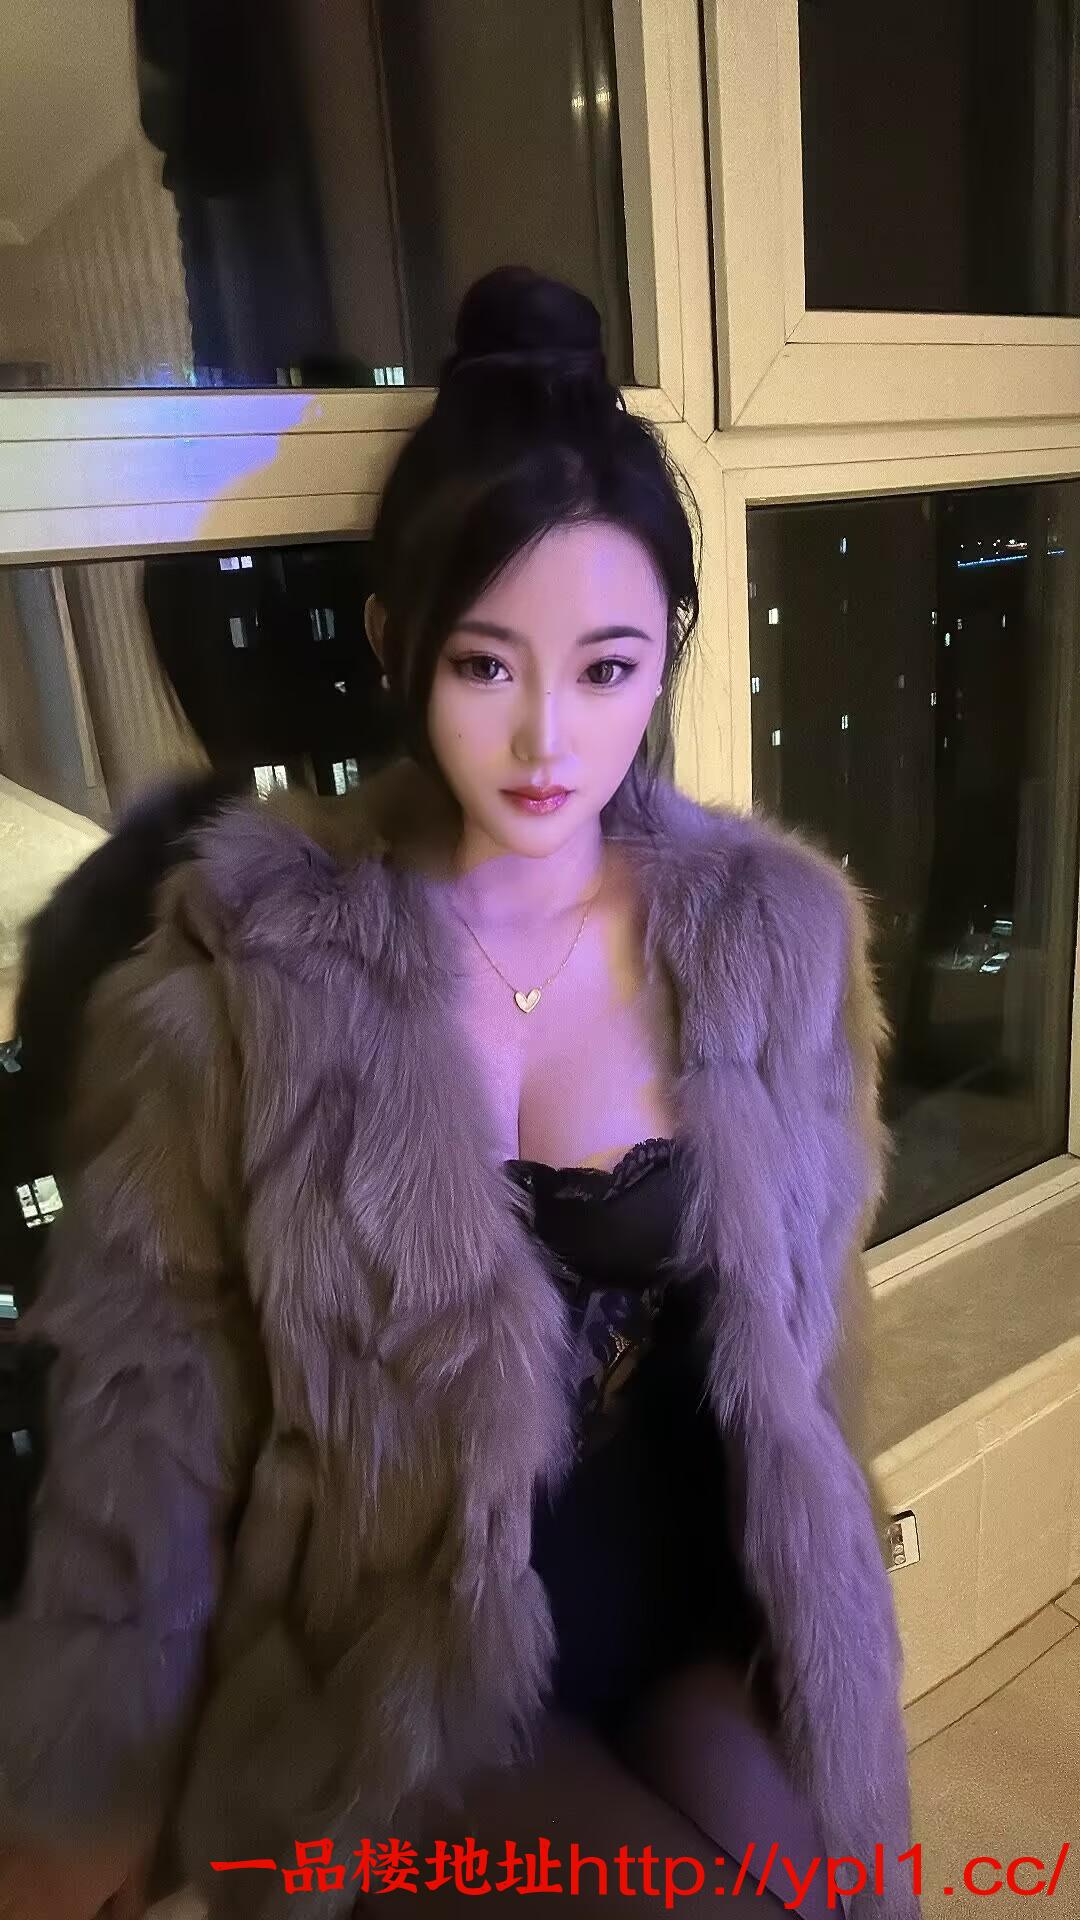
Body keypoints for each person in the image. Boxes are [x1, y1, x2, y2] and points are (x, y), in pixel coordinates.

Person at [0, 267, 919, 1920]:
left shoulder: (773, 939)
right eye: (488, 665)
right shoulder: (252, 973)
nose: (549, 736)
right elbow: (147, 1416)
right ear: (396, 645)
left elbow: (813, 1344)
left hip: (685, 1602)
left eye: (607, 667)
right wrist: (82, 1805)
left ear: (668, 653)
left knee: (845, 1895)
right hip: (403, 1669)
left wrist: (827, 1640)